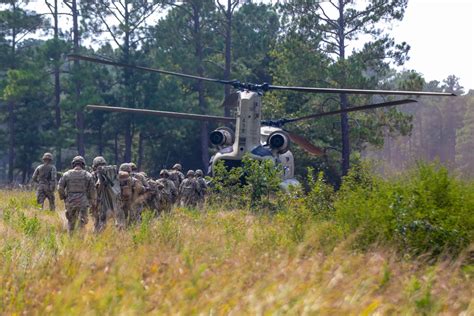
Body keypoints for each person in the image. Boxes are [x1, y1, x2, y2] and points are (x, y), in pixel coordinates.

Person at [58, 156, 96, 233]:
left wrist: (64, 197)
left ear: (73, 164)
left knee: (71, 222)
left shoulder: (66, 174)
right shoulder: (88, 175)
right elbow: (92, 190)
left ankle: (71, 240)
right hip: (83, 202)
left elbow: (60, 188)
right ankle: (80, 240)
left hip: (70, 201)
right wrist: (92, 201)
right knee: (82, 222)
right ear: (83, 164)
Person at [91, 156, 119, 232]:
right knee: (111, 221)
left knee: (98, 221)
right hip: (112, 202)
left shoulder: (94, 175)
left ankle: (99, 236)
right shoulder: (112, 173)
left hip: (99, 202)